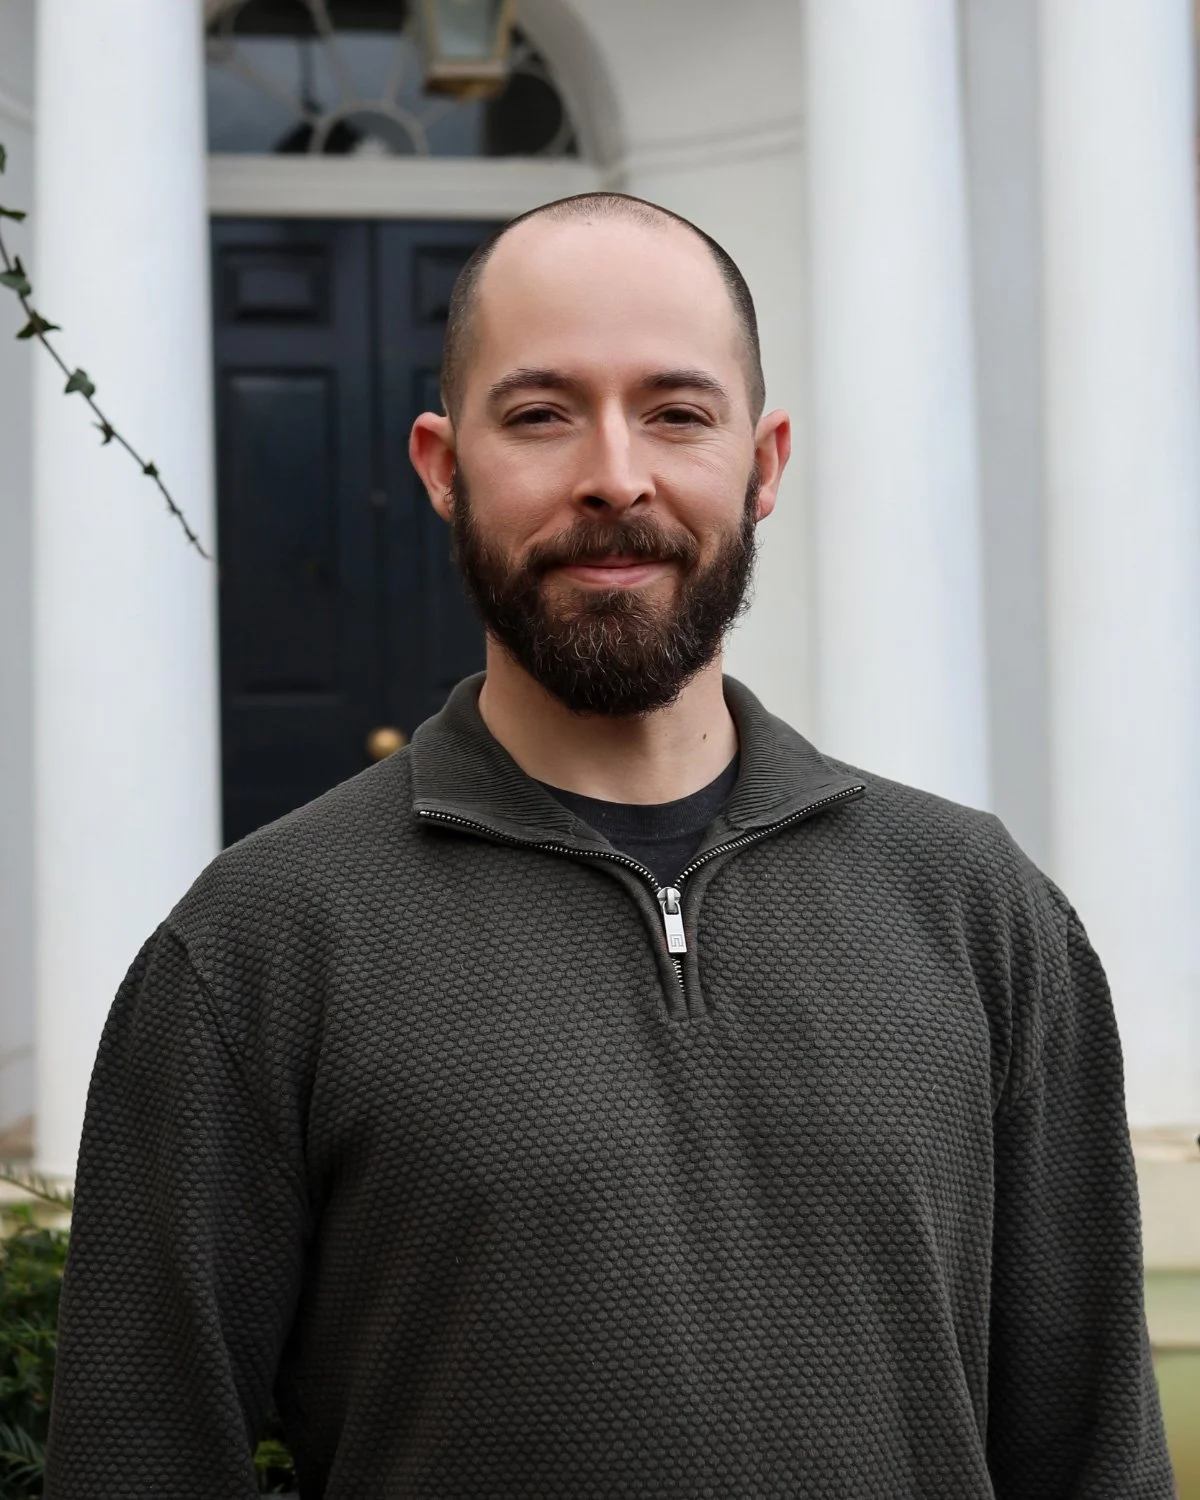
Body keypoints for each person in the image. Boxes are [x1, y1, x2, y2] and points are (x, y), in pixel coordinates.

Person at [46, 193, 1172, 1499]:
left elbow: (1093, 1454)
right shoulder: (257, 948)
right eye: (539, 414)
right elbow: (138, 1461)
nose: (616, 475)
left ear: (764, 462)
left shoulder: (980, 914)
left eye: (678, 412)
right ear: (440, 464)